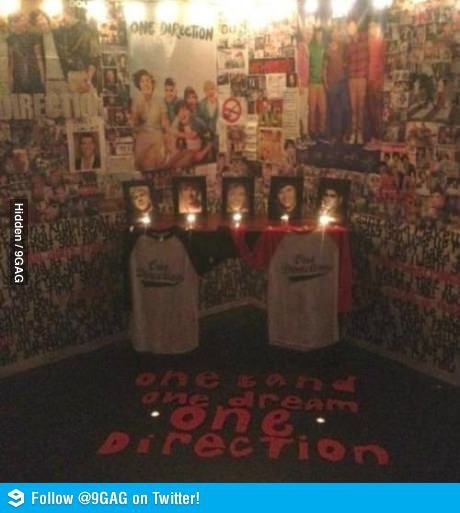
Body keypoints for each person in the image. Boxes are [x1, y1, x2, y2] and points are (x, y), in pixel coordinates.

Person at [131, 69, 168, 171]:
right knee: (143, 165)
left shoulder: (160, 100)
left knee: (155, 162)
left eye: (147, 80)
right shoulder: (136, 100)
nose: (145, 84)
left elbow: (165, 123)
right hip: (142, 137)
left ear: (152, 83)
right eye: (142, 81)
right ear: (139, 85)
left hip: (157, 137)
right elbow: (134, 123)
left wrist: (167, 138)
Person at [346, 18, 369, 145]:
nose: (351, 29)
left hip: (362, 78)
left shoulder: (364, 38)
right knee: (353, 108)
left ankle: (360, 133)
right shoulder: (349, 43)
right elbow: (347, 60)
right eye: (349, 27)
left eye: (352, 26)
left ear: (356, 26)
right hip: (352, 79)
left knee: (361, 107)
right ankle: (353, 133)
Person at [325, 25, 348, 142]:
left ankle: (344, 134)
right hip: (332, 83)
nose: (336, 35)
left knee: (345, 108)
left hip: (342, 82)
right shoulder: (327, 50)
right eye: (334, 33)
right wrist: (326, 82)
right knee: (334, 110)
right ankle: (335, 136)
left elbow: (346, 61)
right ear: (331, 35)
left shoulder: (343, 46)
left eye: (337, 33)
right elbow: (324, 68)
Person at [308, 27, 327, 140]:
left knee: (323, 109)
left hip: (321, 83)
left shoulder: (324, 46)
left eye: (320, 34)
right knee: (312, 109)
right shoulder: (310, 47)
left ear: (322, 34)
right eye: (317, 34)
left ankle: (322, 131)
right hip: (312, 82)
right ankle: (312, 132)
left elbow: (326, 62)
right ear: (315, 35)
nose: (319, 36)